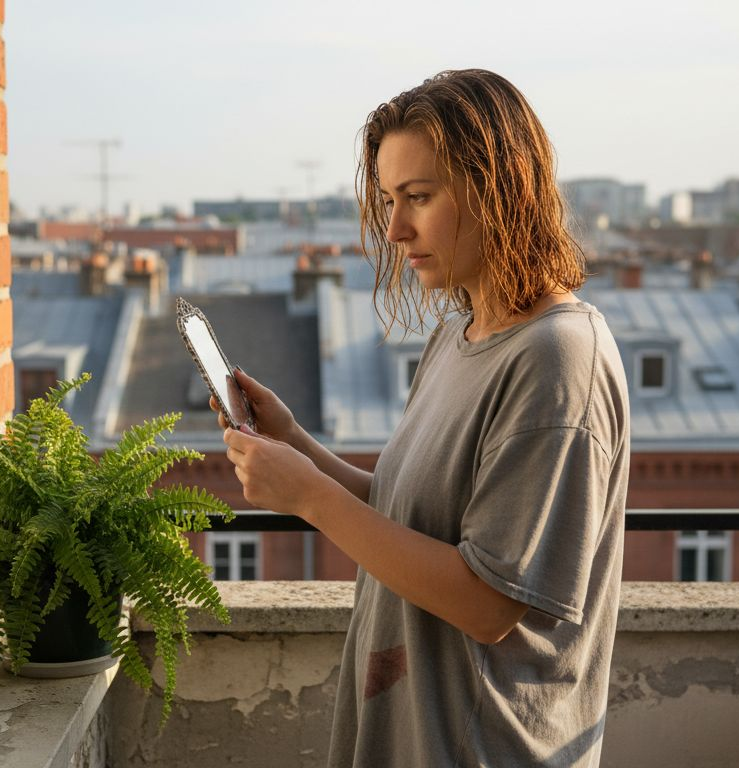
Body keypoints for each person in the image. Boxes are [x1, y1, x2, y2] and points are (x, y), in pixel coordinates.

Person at [214, 69, 630, 767]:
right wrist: (296, 444)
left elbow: (489, 605)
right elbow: (410, 521)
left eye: (419, 197)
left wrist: (308, 498)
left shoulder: (559, 359)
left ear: (501, 187)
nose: (395, 228)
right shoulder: (459, 332)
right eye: (386, 199)